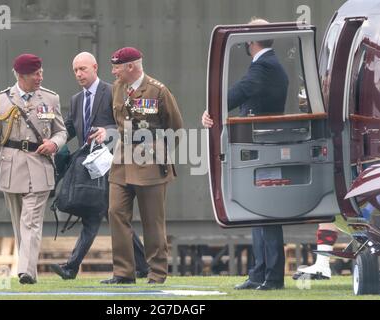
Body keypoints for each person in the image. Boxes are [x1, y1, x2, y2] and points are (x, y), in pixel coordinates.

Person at [202, 18, 288, 290]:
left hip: (262, 146)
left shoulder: (263, 66)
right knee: (258, 212)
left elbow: (239, 92)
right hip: (261, 145)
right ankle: (260, 273)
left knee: (267, 212)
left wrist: (212, 107)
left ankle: (270, 276)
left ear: (251, 41)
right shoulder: (268, 65)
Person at [49, 52, 149, 280]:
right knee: (101, 215)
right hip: (89, 169)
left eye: (83, 69)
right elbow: (68, 130)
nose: (78, 74)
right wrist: (53, 141)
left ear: (95, 67)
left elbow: (130, 123)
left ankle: (71, 268)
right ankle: (142, 266)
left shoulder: (113, 91)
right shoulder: (76, 100)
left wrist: (109, 132)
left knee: (101, 215)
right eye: (75, 70)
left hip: (113, 164)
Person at [0, 53, 68, 284]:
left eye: (41, 72)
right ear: (21, 76)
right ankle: (30, 271)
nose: (40, 77)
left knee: (30, 221)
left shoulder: (51, 98)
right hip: (11, 167)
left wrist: (54, 144)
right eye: (35, 74)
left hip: (40, 166)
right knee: (20, 223)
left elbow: (61, 131)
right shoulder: (1, 101)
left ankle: (25, 272)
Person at [101, 47, 183, 284]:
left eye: (117, 67)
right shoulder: (117, 88)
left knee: (152, 220)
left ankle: (157, 273)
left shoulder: (158, 90)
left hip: (149, 164)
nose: (113, 71)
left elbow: (175, 127)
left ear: (131, 67)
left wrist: (160, 152)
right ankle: (124, 272)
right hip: (121, 162)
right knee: (115, 213)